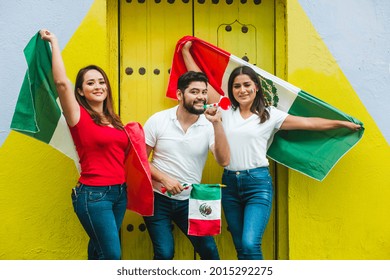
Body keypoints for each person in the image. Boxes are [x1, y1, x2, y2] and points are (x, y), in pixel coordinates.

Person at [181, 41, 362, 260]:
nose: (242, 90)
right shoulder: (225, 108)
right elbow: (198, 80)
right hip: (229, 184)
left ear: (256, 87)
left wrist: (341, 124)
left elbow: (308, 124)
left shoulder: (269, 114)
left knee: (250, 243)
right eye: (237, 86)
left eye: (247, 85)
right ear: (232, 90)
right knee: (240, 244)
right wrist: (186, 51)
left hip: (257, 184)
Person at [40, 29, 130, 260]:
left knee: (99, 253)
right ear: (80, 90)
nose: (98, 86)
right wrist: (54, 42)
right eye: (90, 83)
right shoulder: (78, 116)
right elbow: (61, 83)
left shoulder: (114, 120)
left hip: (119, 193)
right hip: (94, 196)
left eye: (101, 82)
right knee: (112, 256)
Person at [143, 71, 230, 260]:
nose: (201, 97)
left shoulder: (209, 125)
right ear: (180, 95)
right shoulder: (158, 120)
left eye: (204, 92)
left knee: (210, 253)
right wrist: (164, 178)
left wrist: (217, 124)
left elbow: (223, 160)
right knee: (165, 253)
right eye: (194, 91)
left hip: (191, 200)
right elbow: (139, 159)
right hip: (158, 199)